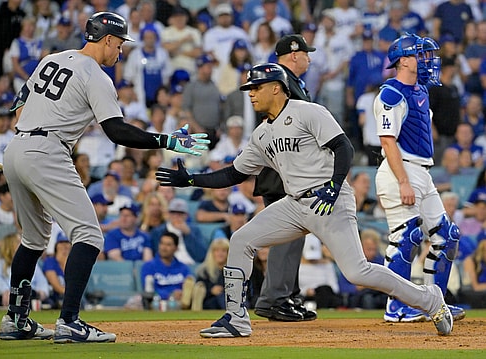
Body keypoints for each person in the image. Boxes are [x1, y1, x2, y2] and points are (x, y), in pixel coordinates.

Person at [156, 62, 454, 338]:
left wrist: (335, 185)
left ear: (277, 87)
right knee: (241, 240)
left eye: (256, 88)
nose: (251, 95)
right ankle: (236, 318)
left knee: (356, 272)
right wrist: (192, 180)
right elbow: (234, 174)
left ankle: (429, 299)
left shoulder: (308, 111)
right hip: (295, 204)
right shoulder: (261, 134)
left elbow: (343, 147)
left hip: (329, 200)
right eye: (249, 90)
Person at [0, 12, 209, 343]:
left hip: (17, 148)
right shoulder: (95, 75)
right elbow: (116, 131)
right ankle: (69, 320)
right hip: (48, 151)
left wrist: (27, 141)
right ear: (108, 39)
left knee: (34, 240)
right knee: (89, 236)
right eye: (120, 44)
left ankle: (15, 319)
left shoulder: (51, 59)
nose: (121, 51)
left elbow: (20, 101)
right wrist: (166, 140)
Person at [373, 33, 465, 324]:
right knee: (407, 238)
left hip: (422, 171)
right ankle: (396, 306)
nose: (427, 61)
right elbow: (388, 142)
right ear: (403, 61)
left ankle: (434, 303)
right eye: (420, 55)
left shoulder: (420, 90)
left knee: (447, 237)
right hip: (399, 169)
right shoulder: (391, 93)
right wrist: (403, 181)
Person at [254, 34, 317, 323]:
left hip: (289, 172)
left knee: (295, 235)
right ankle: (274, 299)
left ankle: (287, 295)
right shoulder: (278, 82)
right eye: (306, 53)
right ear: (294, 54)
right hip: (282, 173)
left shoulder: (290, 83)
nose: (309, 58)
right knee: (286, 236)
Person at [0, 233, 50, 309]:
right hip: (4, 297)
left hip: (29, 297)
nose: (22, 245)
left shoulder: (29, 261)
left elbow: (41, 280)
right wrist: (5, 290)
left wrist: (41, 292)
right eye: (18, 242)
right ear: (9, 245)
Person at [194, 238, 230, 310]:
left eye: (223, 251)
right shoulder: (203, 271)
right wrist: (211, 291)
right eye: (217, 251)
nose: (220, 254)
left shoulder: (233, 271)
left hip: (227, 300)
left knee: (221, 297)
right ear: (212, 253)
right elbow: (200, 290)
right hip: (209, 302)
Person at [42, 233, 72, 309]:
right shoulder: (50, 261)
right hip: (53, 298)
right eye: (61, 242)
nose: (64, 245)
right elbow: (55, 285)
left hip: (69, 298)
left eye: (67, 242)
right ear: (56, 245)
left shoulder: (74, 263)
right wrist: (72, 296)